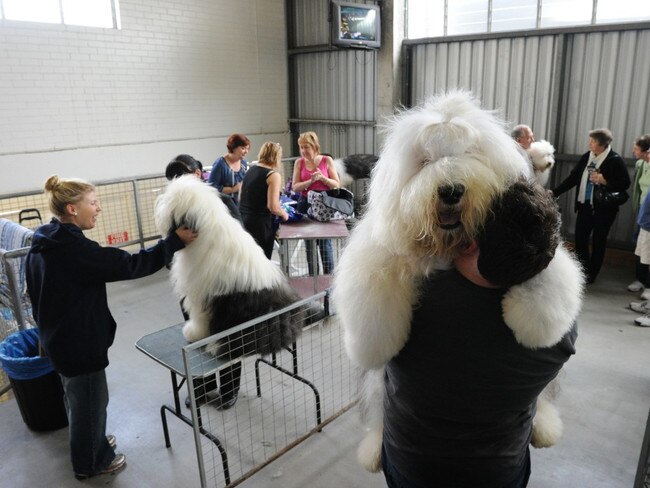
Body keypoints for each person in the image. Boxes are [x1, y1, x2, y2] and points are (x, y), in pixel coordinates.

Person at [381, 180, 577, 488]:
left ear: (469, 242)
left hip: (415, 464)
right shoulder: (560, 328)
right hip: (499, 469)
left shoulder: (411, 303)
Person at [25, 175, 197, 480]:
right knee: (92, 401)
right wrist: (173, 242)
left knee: (75, 398)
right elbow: (132, 265)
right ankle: (91, 462)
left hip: (57, 340)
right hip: (79, 344)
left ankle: (89, 441)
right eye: (93, 202)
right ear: (72, 209)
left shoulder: (44, 240)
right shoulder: (75, 250)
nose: (99, 208)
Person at [552, 128, 631, 284]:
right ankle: (582, 271)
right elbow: (573, 178)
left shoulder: (615, 160)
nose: (589, 143)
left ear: (602, 144)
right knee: (580, 239)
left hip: (604, 209)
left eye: (593, 141)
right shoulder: (587, 157)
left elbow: (625, 184)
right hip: (585, 206)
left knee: (598, 241)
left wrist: (605, 181)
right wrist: (554, 192)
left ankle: (591, 275)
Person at [291, 131, 341, 275]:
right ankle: (312, 277)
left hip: (324, 204)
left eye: (306, 147)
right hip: (305, 204)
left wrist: (323, 179)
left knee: (325, 243)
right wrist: (310, 181)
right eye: (301, 147)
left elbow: (336, 184)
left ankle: (328, 279)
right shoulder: (299, 163)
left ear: (314, 146)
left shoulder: (326, 160)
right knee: (309, 245)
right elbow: (295, 187)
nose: (303, 151)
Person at [239, 142, 289, 258]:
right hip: (260, 224)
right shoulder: (273, 175)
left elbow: (240, 196)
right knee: (263, 261)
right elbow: (273, 207)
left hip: (244, 220)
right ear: (276, 156)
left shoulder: (250, 170)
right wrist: (284, 214)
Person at [166, 153, 242, 222]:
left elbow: (240, 233)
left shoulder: (224, 201)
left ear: (197, 173)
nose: (176, 185)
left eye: (181, 178)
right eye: (172, 180)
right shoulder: (174, 209)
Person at [626, 135, 650, 293]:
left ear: (646, 151)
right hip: (643, 209)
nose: (633, 151)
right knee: (640, 246)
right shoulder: (641, 164)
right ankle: (641, 280)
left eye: (636, 148)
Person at [208, 134, 250, 205]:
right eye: (243, 148)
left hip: (240, 206)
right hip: (224, 207)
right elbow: (212, 188)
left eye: (247, 149)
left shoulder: (243, 163)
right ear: (233, 148)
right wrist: (232, 189)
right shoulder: (220, 164)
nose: (246, 152)